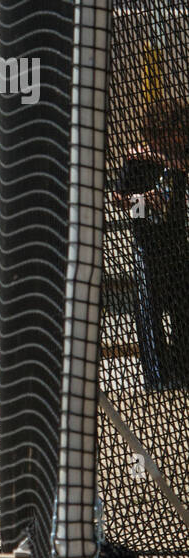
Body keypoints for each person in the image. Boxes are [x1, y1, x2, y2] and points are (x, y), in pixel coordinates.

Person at [113, 97, 189, 390]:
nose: (181, 137)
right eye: (175, 132)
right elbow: (120, 200)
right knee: (151, 312)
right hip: (150, 245)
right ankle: (158, 376)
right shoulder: (136, 162)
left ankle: (182, 369)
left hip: (180, 244)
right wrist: (143, 201)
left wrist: (161, 159)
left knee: (183, 309)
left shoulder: (174, 156)